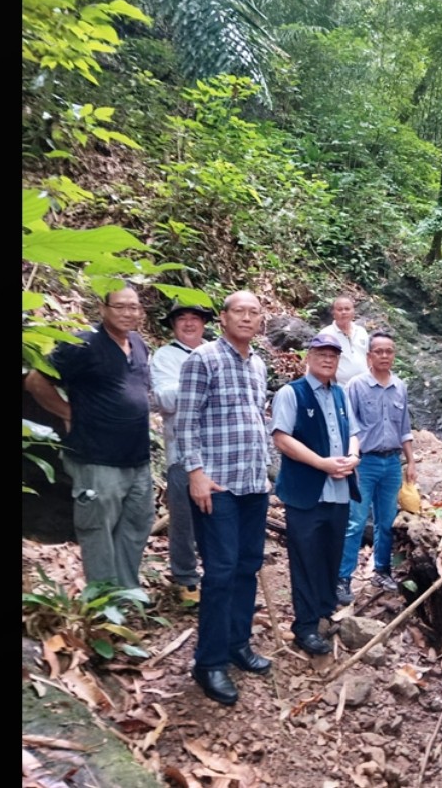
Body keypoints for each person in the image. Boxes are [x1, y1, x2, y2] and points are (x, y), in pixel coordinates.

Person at [174, 291, 274, 705]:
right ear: (224, 317)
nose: (247, 318)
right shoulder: (204, 359)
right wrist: (195, 474)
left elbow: (256, 419)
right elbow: (185, 421)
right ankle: (209, 662)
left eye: (254, 312)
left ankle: (237, 643)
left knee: (247, 566)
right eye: (239, 311)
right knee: (219, 570)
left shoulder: (258, 364)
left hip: (252, 484)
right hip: (217, 485)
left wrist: (265, 472)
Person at [23, 287, 155, 590]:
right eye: (120, 306)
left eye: (134, 307)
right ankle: (103, 598)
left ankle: (126, 591)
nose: (128, 313)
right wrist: (67, 411)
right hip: (95, 457)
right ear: (103, 308)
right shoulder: (83, 344)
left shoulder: (137, 344)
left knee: (137, 524)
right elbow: (35, 380)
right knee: (97, 528)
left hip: (137, 459)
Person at [271, 332, 360, 656]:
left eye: (333, 355)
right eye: (321, 353)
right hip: (305, 493)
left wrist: (353, 456)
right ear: (308, 357)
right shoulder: (291, 393)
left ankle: (323, 612)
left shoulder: (340, 394)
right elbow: (281, 438)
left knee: (330, 554)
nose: (327, 359)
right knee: (305, 558)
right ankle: (305, 626)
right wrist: (322, 463)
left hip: (339, 492)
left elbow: (353, 432)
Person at [337, 331, 416, 604]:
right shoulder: (356, 386)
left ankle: (382, 571)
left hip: (392, 462)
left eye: (389, 351)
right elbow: (349, 427)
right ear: (369, 356)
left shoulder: (400, 387)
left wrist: (411, 462)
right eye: (379, 351)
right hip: (365, 462)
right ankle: (343, 578)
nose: (384, 356)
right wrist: (350, 459)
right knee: (356, 521)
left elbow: (404, 428)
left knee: (386, 521)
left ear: (394, 355)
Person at [149, 301, 216, 605]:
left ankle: (216, 578)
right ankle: (186, 579)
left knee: (219, 518)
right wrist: (202, 386)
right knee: (184, 519)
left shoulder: (216, 351)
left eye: (195, 318)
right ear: (173, 325)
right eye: (182, 319)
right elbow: (165, 399)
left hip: (219, 451)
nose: (189, 324)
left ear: (204, 323)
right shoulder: (165, 356)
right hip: (182, 452)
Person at [317, 296, 371, 385]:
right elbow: (319, 364)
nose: (344, 312)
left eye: (347, 309)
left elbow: (368, 358)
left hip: (364, 386)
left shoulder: (361, 331)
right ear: (333, 313)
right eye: (340, 309)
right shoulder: (325, 335)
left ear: (353, 311)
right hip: (340, 388)